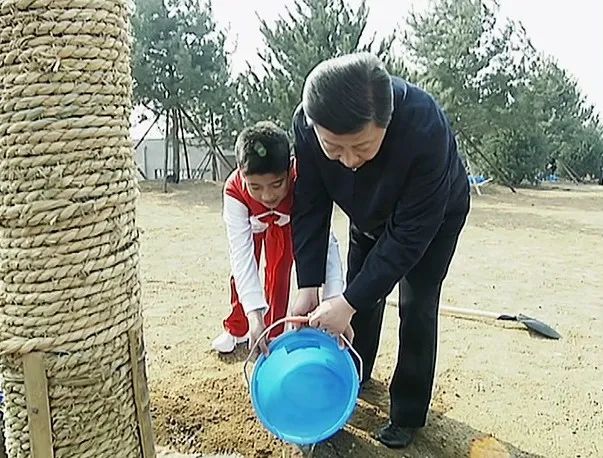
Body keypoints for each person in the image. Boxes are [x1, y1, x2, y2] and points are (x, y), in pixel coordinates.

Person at [289, 52, 470, 448]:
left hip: (431, 219)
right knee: (360, 294)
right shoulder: (306, 125)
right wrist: (308, 285)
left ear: (386, 123)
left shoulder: (425, 126)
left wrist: (347, 302)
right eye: (334, 148)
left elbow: (408, 237)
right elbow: (310, 205)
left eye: (362, 147)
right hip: (366, 213)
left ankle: (407, 412)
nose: (349, 160)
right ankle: (355, 373)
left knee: (417, 305)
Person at [211, 121, 345, 355]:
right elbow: (241, 256)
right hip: (252, 227)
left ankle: (275, 329)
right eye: (255, 187)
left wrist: (333, 299)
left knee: (279, 274)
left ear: (290, 170)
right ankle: (238, 327)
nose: (267, 196)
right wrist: (253, 314)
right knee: (240, 275)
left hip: (289, 225)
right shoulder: (234, 191)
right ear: (241, 174)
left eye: (277, 184)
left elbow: (324, 242)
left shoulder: (304, 181)